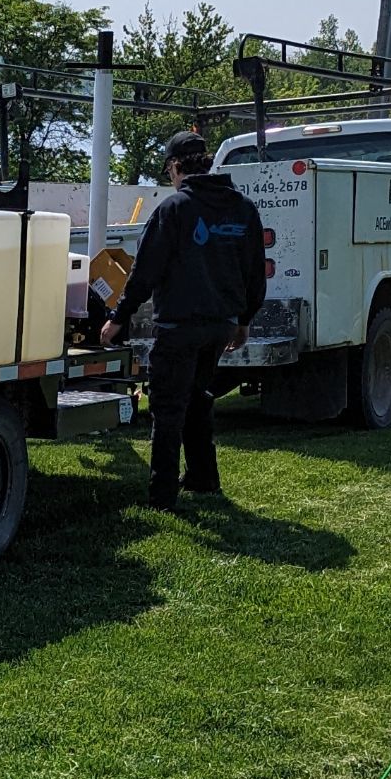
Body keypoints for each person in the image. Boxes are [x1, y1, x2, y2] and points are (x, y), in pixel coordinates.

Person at [100, 131, 266, 507]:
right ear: (206, 162)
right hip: (221, 325)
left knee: (169, 408)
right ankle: (204, 478)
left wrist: (118, 318)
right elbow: (256, 272)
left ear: (176, 167)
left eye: (169, 171)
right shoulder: (243, 209)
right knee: (199, 399)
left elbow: (145, 273)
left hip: (179, 327)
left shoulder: (174, 210)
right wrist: (244, 320)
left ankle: (162, 494)